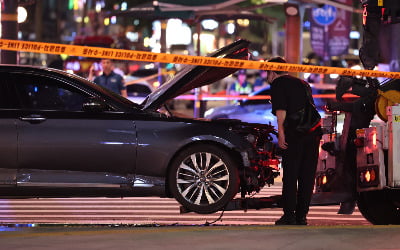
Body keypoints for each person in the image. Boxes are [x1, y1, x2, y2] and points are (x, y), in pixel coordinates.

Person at [267, 56, 322, 225]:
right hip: (312, 134)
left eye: (267, 73)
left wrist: (281, 133)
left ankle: (289, 215)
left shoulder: (278, 84)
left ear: (272, 72)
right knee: (307, 176)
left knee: (291, 176)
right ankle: (302, 216)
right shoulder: (303, 83)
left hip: (294, 135)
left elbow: (281, 111)